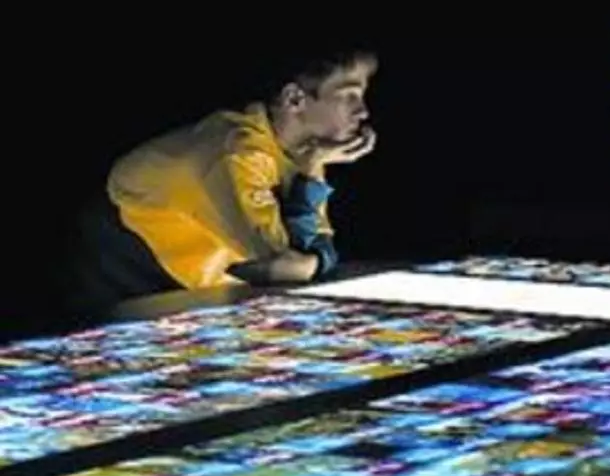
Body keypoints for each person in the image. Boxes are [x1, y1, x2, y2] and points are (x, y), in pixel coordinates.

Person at [67, 48, 379, 314]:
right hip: (128, 261)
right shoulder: (237, 155)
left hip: (196, 273)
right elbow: (286, 266)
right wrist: (305, 257)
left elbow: (314, 250)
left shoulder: (299, 154)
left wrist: (312, 169)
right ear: (294, 98)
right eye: (349, 95)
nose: (363, 111)